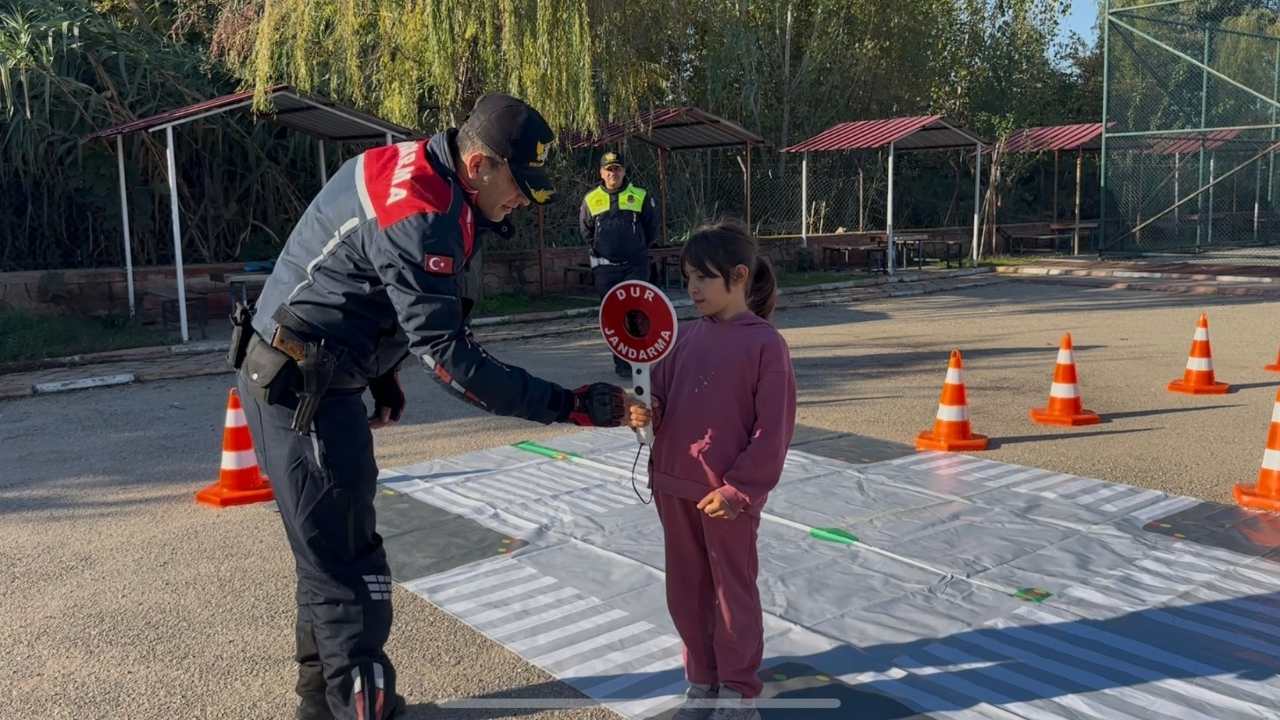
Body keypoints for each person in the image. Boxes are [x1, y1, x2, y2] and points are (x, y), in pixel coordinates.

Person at [227, 94, 648, 720]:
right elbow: (454, 359)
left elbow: (354, 283)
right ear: (479, 164)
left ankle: (320, 710)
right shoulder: (422, 213)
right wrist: (573, 405)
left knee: (325, 561)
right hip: (301, 391)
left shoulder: (418, 164)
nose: (526, 202)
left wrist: (380, 371)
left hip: (308, 371)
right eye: (520, 186)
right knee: (352, 576)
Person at [647, 220, 797, 720]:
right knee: (685, 592)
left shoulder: (766, 345)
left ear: (738, 276)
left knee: (731, 594)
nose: (691, 289)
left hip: (727, 500)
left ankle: (737, 690)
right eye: (687, 277)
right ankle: (702, 683)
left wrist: (739, 490)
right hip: (673, 487)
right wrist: (641, 412)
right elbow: (659, 402)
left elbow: (772, 432)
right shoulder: (682, 338)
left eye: (703, 278)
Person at [579, 151, 660, 377]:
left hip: (635, 265)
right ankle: (622, 364)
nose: (613, 173)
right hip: (606, 268)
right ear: (601, 173)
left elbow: (652, 227)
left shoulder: (640, 195)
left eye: (617, 168)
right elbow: (586, 230)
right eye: (608, 169)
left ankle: (639, 359)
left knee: (635, 311)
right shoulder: (590, 199)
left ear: (624, 171)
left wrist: (638, 247)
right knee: (614, 315)